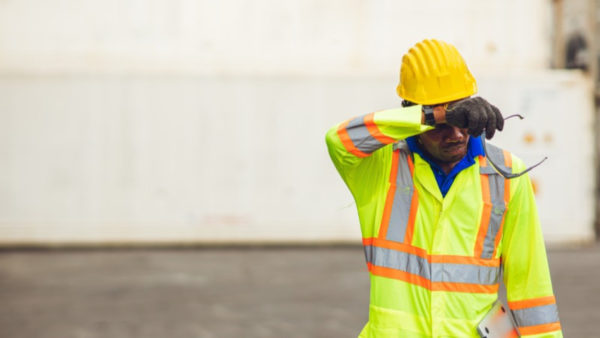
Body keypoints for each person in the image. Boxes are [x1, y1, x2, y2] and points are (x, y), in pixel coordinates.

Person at [325, 39, 562, 337]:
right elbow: (338, 140)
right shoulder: (381, 166)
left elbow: (532, 288)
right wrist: (432, 116)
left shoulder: (507, 174)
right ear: (413, 116)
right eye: (443, 124)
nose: (456, 133)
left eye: (462, 118)